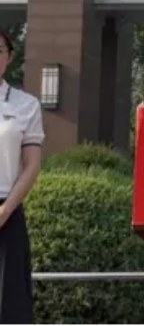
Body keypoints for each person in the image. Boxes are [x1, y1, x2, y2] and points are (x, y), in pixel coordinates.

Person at [0, 29, 43, 324]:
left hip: (8, 210)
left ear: (10, 56)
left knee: (10, 304)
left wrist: (5, 211)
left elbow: (31, 165)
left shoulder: (25, 105)